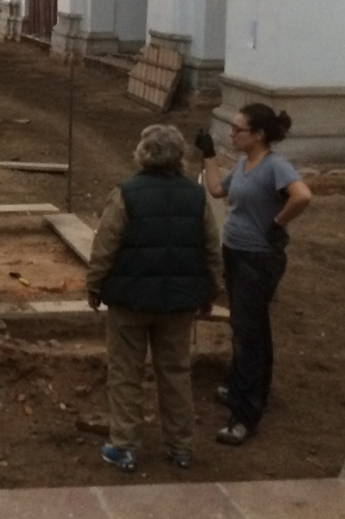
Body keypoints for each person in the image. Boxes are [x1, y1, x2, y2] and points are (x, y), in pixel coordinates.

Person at [86, 125, 222, 473]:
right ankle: (181, 447)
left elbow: (105, 245)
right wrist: (211, 290)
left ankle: (125, 446)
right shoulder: (196, 198)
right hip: (178, 304)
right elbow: (211, 248)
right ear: (179, 156)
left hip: (129, 301)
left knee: (125, 373)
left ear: (143, 153)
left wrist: (95, 285)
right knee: (176, 373)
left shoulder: (126, 194)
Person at [196, 103, 312, 446]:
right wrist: (209, 154)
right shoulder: (245, 165)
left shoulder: (275, 166)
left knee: (248, 333)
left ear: (259, 134)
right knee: (250, 326)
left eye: (238, 130)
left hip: (257, 259)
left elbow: (303, 195)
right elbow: (217, 190)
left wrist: (278, 223)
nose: (232, 135)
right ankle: (249, 388)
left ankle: (244, 416)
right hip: (236, 252)